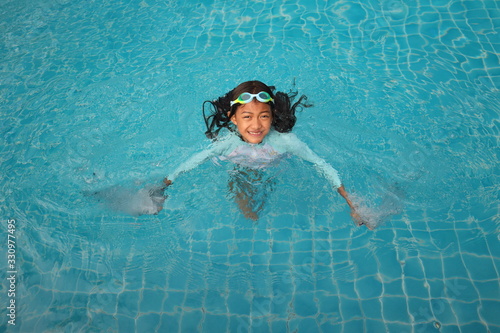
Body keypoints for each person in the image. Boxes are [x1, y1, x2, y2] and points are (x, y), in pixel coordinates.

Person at [158, 80, 369, 228]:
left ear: (272, 116)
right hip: (238, 170)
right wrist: (161, 187)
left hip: (273, 169)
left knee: (258, 207)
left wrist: (353, 204)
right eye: (247, 116)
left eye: (264, 116)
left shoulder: (286, 141)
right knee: (249, 214)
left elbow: (322, 165)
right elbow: (191, 162)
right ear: (233, 119)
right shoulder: (225, 143)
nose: (256, 125)